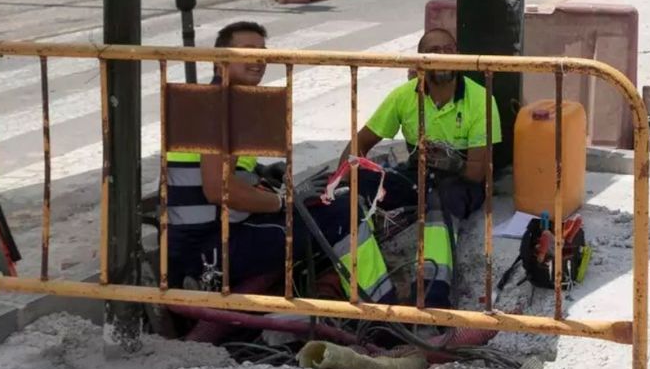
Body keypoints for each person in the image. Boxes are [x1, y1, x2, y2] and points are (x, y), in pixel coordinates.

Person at [164, 21, 352, 293]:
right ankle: (374, 309)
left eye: (262, 51)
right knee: (344, 213)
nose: (258, 59)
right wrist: (284, 201)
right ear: (220, 61)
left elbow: (219, 168)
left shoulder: (222, 100)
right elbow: (218, 188)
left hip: (212, 237)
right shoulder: (217, 106)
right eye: (247, 50)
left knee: (324, 210)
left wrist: (261, 173)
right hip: (208, 247)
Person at [339, 28, 501, 308]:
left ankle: (431, 296)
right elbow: (361, 143)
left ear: (459, 56)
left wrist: (451, 162)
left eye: (448, 50)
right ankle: (370, 299)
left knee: (438, 202)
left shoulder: (479, 99)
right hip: (417, 175)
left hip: (461, 182)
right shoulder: (404, 96)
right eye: (433, 51)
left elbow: (478, 172)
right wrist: (343, 178)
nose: (441, 57)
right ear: (419, 61)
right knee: (353, 190)